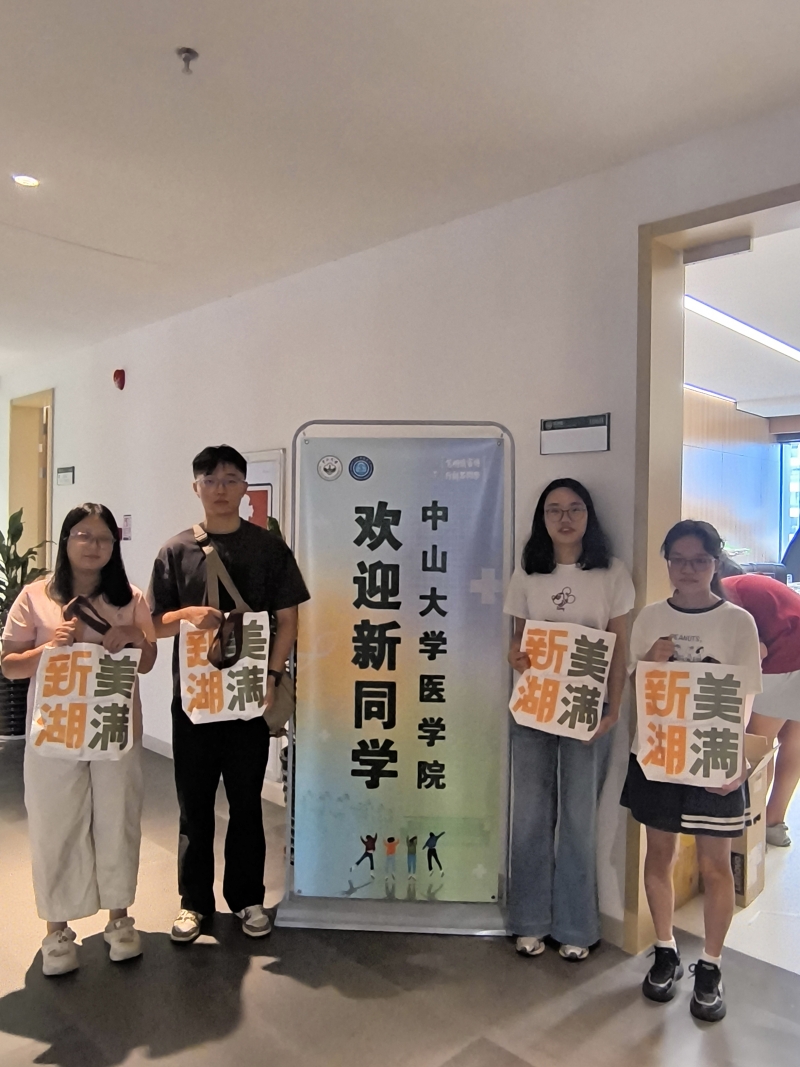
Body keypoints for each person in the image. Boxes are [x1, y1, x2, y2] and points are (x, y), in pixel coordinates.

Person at [148, 445, 310, 943]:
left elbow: (288, 619)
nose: (221, 489)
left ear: (245, 487)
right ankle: (193, 904)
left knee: (246, 804)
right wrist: (185, 615)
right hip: (194, 702)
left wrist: (273, 676)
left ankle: (247, 899)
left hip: (248, 697)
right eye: (211, 480)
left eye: (231, 479)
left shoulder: (268, 549)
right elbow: (153, 625)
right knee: (194, 807)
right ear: (196, 487)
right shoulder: (175, 551)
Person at [1, 504, 157, 976]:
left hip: (114, 731)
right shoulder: (36, 596)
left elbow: (148, 661)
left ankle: (119, 919)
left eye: (104, 537)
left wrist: (133, 635)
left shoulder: (129, 597)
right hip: (54, 732)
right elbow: (9, 665)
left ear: (114, 547)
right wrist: (47, 649)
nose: (94, 545)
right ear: (66, 540)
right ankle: (57, 930)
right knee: (56, 827)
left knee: (117, 821)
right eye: (83, 535)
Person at [621, 520, 762, 1022]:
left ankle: (711, 965)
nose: (688, 569)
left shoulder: (738, 622)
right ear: (667, 562)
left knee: (715, 866)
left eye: (699, 560)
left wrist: (737, 758)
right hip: (657, 755)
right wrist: (649, 661)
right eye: (678, 560)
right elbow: (638, 691)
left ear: (715, 563)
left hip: (712, 759)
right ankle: (665, 950)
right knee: (658, 854)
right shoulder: (650, 618)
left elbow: (744, 698)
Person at [504, 478, 634, 962]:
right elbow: (518, 640)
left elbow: (618, 650)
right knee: (530, 814)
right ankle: (529, 921)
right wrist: (515, 656)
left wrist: (614, 708)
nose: (564, 518)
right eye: (554, 509)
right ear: (542, 518)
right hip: (534, 706)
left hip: (587, 709)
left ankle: (576, 925)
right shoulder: (528, 571)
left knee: (580, 816)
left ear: (588, 515)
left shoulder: (612, 573)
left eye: (575, 508)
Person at [723, 572, 800, 847]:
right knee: (793, 739)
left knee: (759, 745)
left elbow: (758, 651)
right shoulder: (742, 585)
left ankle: (749, 832)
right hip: (794, 649)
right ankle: (773, 823)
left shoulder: (724, 596)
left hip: (786, 656)